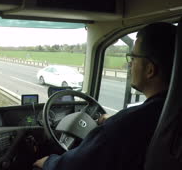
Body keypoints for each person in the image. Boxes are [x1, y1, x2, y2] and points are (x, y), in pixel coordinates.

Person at [33, 22, 177, 170]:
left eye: (133, 58)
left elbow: (76, 165)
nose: (130, 65)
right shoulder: (167, 113)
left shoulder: (125, 125)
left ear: (150, 70)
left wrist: (49, 162)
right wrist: (114, 121)